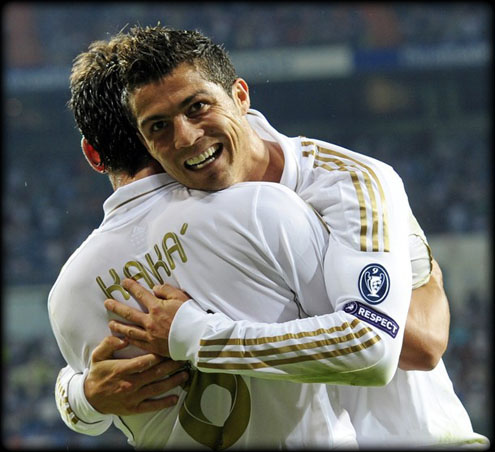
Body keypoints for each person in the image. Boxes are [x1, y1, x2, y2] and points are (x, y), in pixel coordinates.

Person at [52, 27, 488, 448]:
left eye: (198, 107)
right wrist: (80, 394)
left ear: (240, 96)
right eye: (159, 127)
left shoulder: (347, 185)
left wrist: (194, 334)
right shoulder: (208, 211)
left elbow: (409, 344)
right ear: (144, 143)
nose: (185, 136)